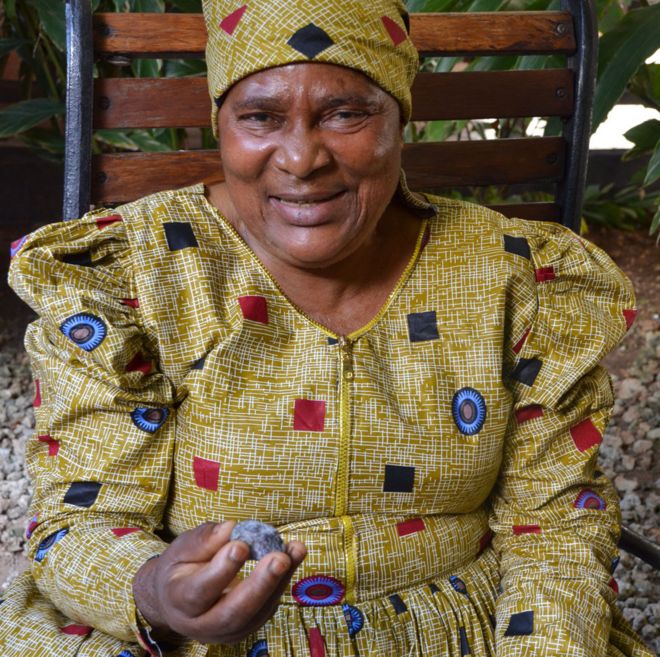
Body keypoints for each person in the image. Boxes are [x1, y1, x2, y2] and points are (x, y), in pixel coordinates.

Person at [0, 0, 654, 655]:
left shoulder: (518, 279)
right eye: (260, 116)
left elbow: (554, 520)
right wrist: (153, 593)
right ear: (220, 124)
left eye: (345, 113)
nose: (301, 158)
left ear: (401, 117)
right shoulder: (134, 276)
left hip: (464, 626)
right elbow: (82, 518)